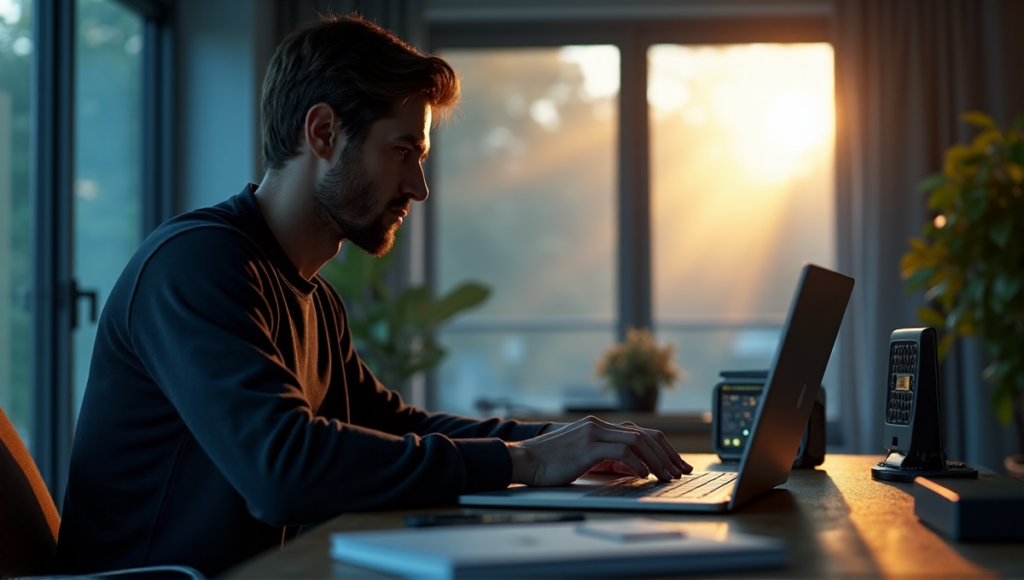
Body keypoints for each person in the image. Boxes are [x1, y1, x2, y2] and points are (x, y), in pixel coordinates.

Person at [55, 14, 691, 578]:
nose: (418, 187)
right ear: (324, 132)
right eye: (403, 151)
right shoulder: (195, 265)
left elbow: (393, 427)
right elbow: (283, 471)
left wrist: (573, 441)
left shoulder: (311, 298)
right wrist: (523, 460)